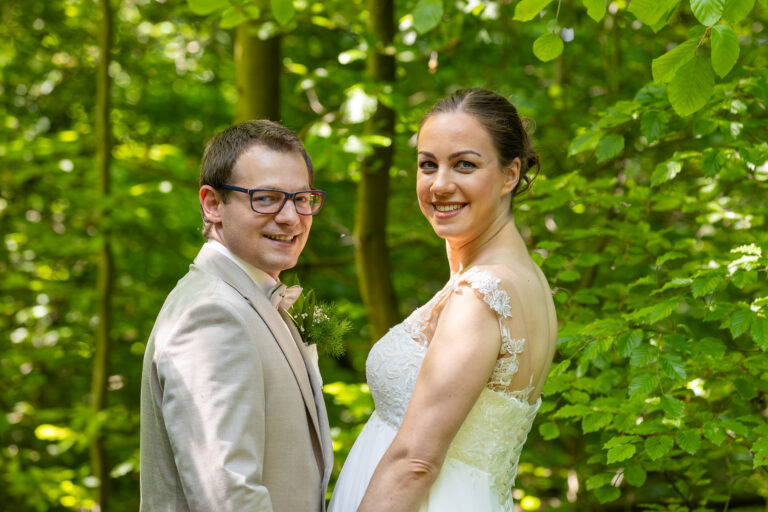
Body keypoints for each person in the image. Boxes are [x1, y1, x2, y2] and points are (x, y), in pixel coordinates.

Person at [329, 88, 558, 512]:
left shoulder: (483, 293)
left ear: (510, 175)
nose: (439, 185)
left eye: (465, 165)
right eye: (427, 165)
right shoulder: (519, 277)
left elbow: (415, 462)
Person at [140, 120, 333, 511]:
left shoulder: (245, 299)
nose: (291, 217)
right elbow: (228, 497)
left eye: (301, 198)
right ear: (212, 204)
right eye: (266, 198)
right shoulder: (211, 315)